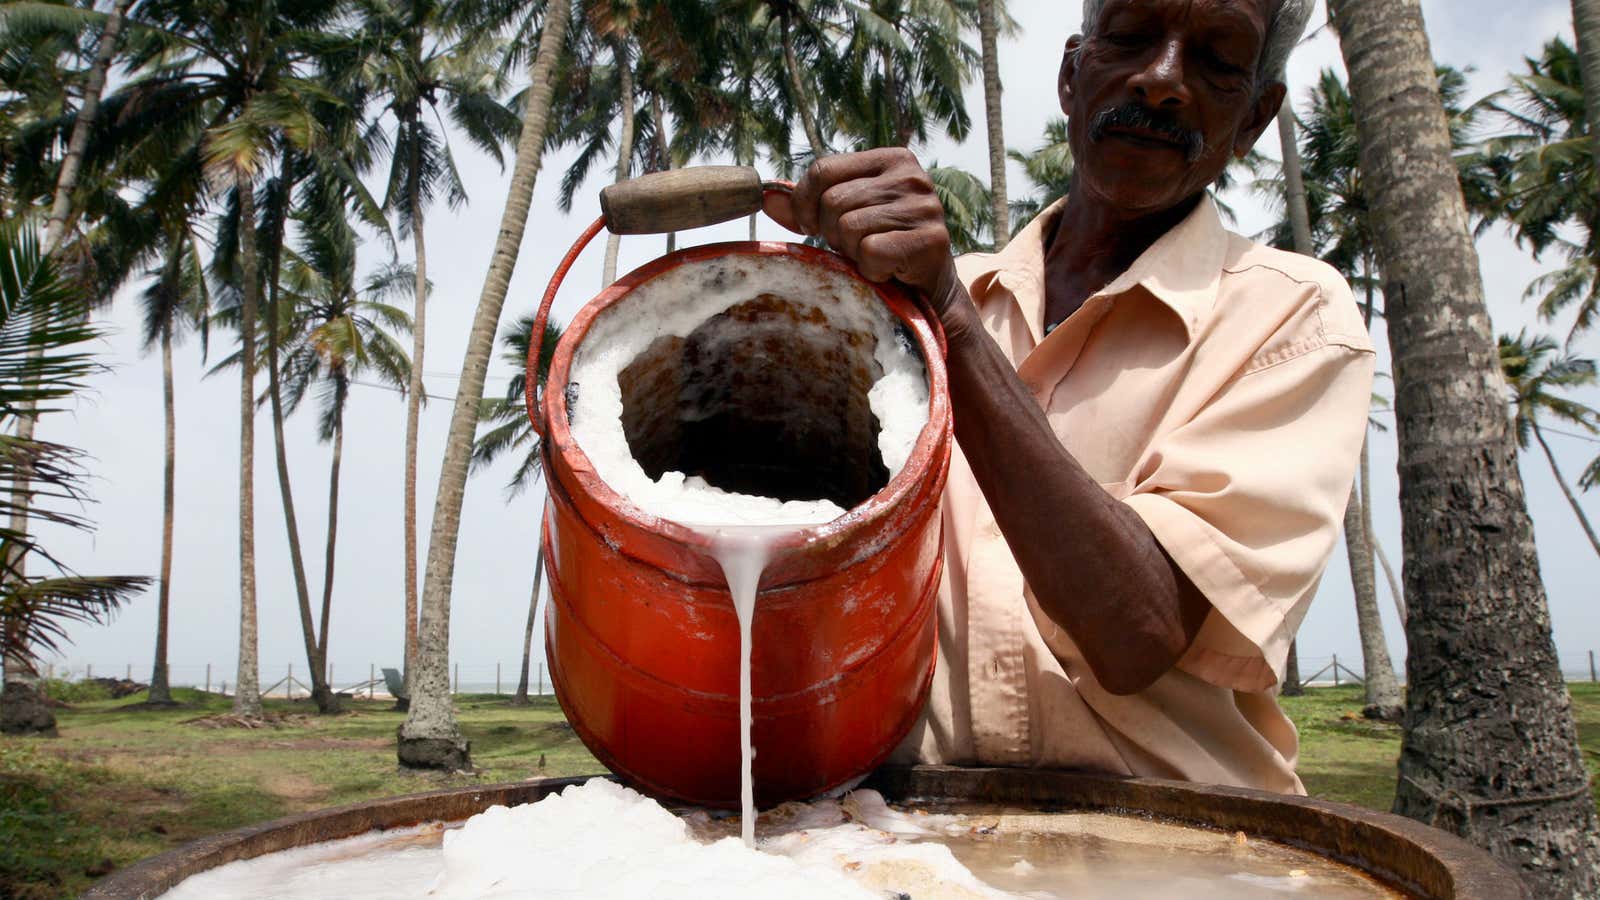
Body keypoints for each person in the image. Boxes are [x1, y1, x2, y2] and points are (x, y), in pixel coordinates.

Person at [764, 0, 1370, 794]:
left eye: (1217, 61)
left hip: (1175, 845)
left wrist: (954, 318)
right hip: (915, 832)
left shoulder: (1293, 318)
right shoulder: (904, 312)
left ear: (1254, 119)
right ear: (1070, 75)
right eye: (1130, 38)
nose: (1161, 82)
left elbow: (1136, 633)